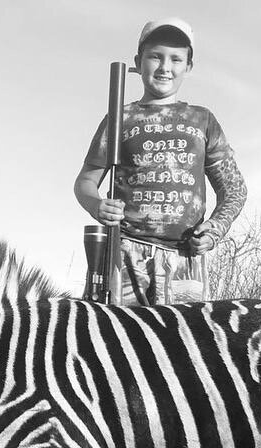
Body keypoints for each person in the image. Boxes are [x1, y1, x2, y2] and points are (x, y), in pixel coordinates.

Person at [74, 17, 247, 305]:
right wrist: (96, 206)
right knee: (115, 344)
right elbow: (86, 181)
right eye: (155, 57)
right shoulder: (120, 117)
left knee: (184, 348)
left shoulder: (203, 120)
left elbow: (235, 190)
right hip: (124, 255)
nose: (165, 67)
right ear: (138, 62)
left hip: (185, 262)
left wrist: (214, 231)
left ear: (188, 66)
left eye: (176, 59)